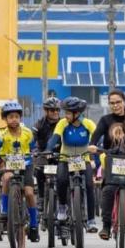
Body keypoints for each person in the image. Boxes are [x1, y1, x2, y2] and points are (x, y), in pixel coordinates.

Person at [89, 90, 125, 240]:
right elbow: (95, 137)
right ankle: (106, 225)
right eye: (112, 103)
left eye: (118, 102)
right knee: (108, 190)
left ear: (124, 102)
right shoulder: (105, 120)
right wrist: (92, 146)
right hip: (111, 158)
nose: (115, 105)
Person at [47, 96, 98, 234]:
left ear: (77, 114)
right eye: (65, 112)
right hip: (65, 158)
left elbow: (98, 136)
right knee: (62, 180)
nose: (65, 115)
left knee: (89, 185)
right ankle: (62, 207)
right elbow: (55, 138)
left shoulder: (88, 123)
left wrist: (98, 146)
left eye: (68, 113)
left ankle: (91, 220)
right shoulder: (62, 123)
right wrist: (48, 150)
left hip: (83, 158)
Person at [0, 101, 39, 242]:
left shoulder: (28, 132)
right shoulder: (2, 133)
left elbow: (34, 147)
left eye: (17, 116)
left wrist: (36, 153)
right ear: (5, 119)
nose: (14, 119)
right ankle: (5, 210)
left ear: (20, 118)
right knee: (6, 178)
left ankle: (34, 224)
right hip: (9, 164)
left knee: (29, 193)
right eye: (10, 117)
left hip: (26, 164)